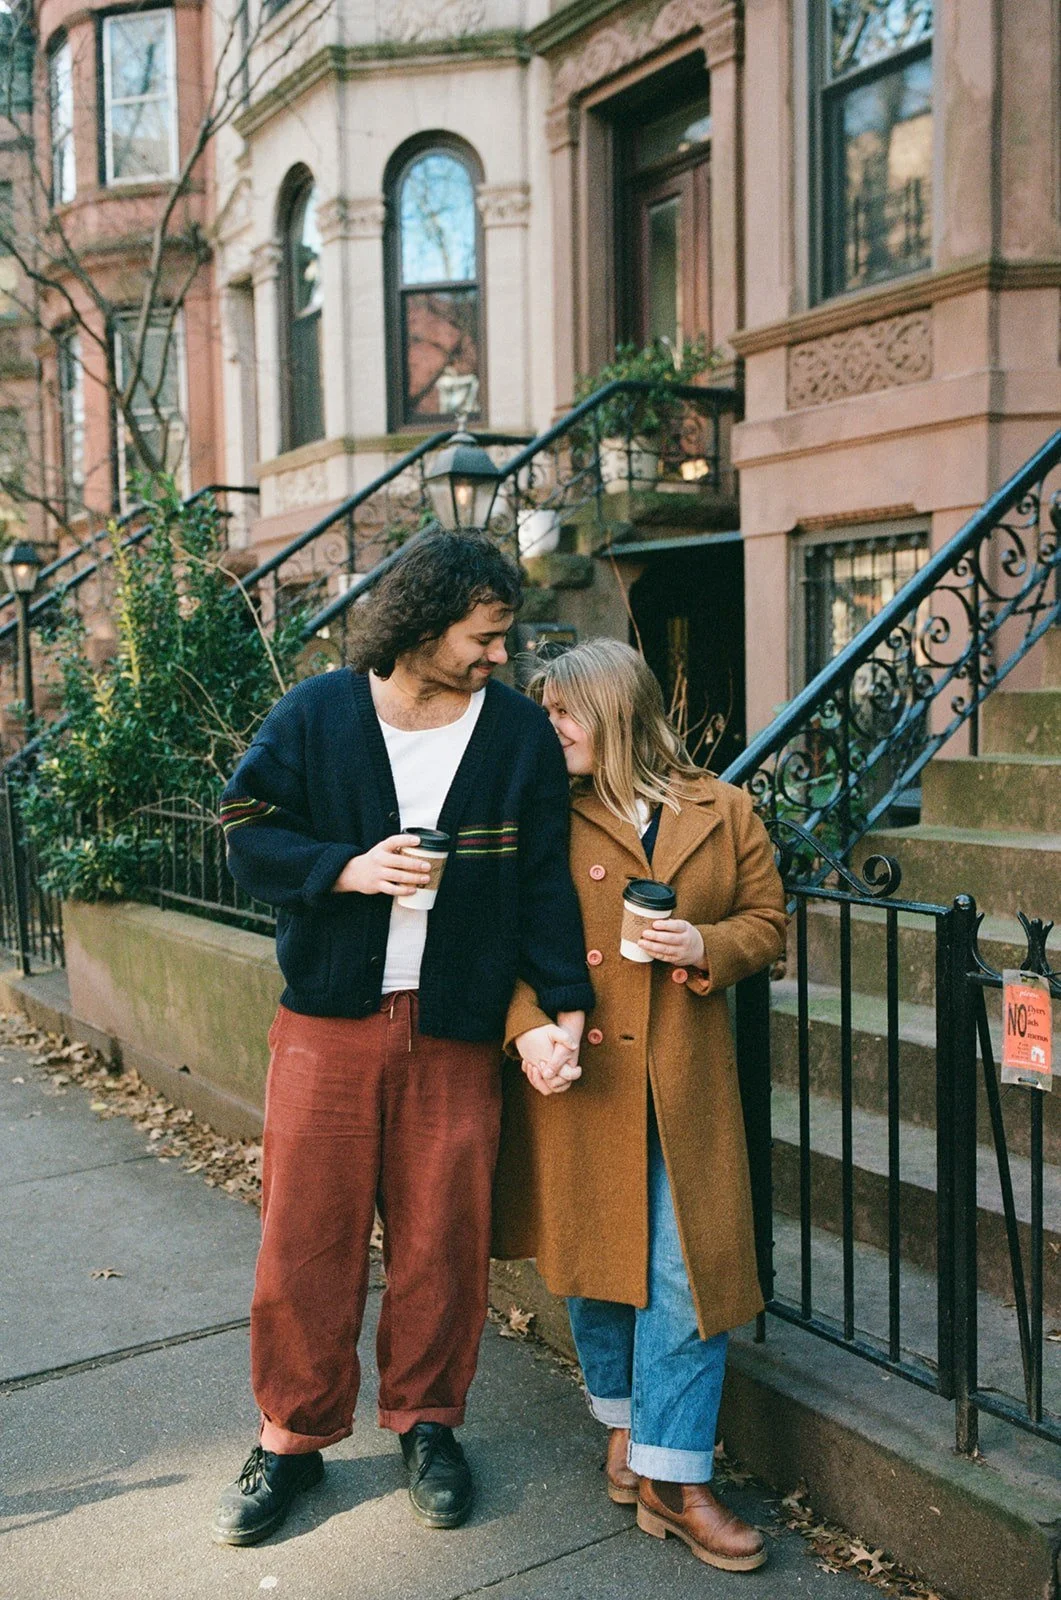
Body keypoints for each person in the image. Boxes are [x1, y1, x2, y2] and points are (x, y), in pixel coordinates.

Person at [212, 533, 593, 1546]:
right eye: (483, 636)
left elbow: (544, 880)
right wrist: (345, 868)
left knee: (442, 1242)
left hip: (457, 1025)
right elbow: (243, 822)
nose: (499, 655)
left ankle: (428, 1425)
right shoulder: (315, 713)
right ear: (423, 625)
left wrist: (565, 1004)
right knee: (304, 1242)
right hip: (327, 1023)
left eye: (503, 636)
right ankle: (290, 1436)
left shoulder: (515, 735)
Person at [493, 638, 786, 1573]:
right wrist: (525, 1031)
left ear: (615, 711)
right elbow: (495, 943)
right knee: (596, 1266)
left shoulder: (723, 809)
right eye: (543, 710)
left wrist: (702, 945)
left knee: (686, 1273)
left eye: (562, 711)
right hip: (585, 1081)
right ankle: (624, 1425)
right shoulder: (542, 813)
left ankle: (672, 1477)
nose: (547, 727)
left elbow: (767, 922)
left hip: (684, 1083)